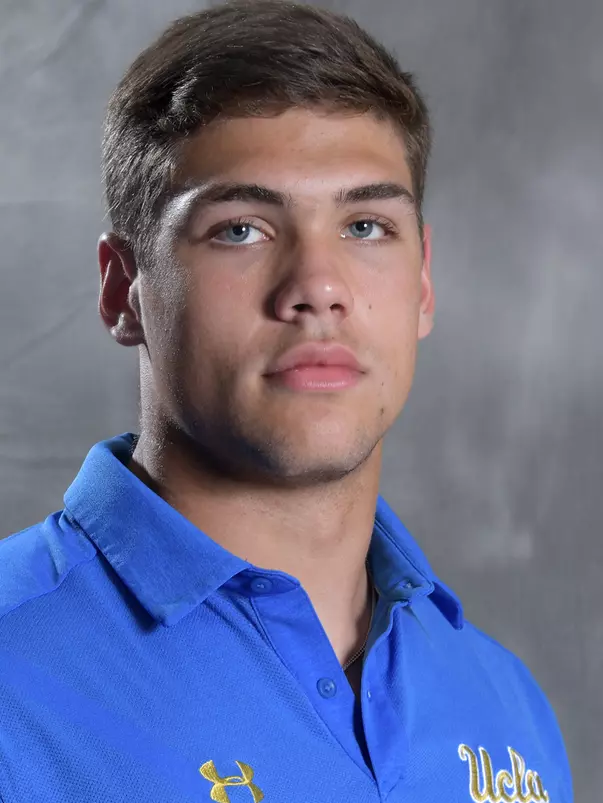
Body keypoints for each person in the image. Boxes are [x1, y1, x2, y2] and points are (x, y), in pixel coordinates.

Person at [0, 1, 573, 801]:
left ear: (424, 280)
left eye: (367, 225)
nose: (317, 288)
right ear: (123, 289)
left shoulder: (507, 707)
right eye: (240, 229)